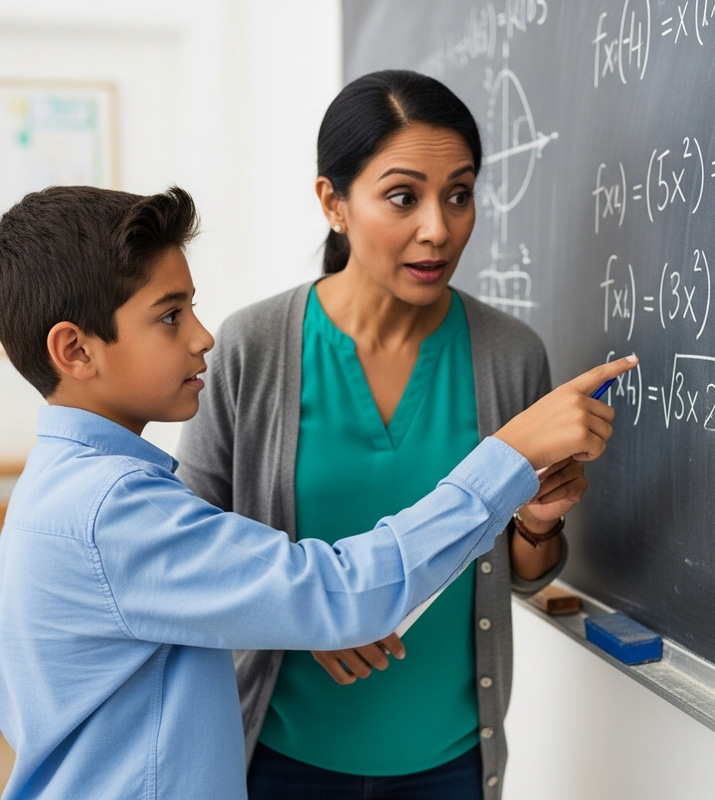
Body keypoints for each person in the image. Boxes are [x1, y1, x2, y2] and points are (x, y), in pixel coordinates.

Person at [0, 184, 635, 800]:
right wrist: (512, 454)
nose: (202, 337)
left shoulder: (66, 493)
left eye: (192, 307)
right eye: (170, 316)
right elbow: (341, 592)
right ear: (74, 350)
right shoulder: (111, 513)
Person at [176, 70, 620, 800]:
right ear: (333, 202)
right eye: (403, 197)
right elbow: (191, 550)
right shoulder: (252, 348)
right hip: (277, 758)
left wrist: (539, 525)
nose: (438, 229)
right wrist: (307, 615)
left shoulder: (510, 356)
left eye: (460, 194)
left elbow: (525, 568)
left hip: (448, 763)